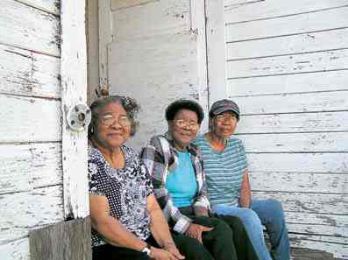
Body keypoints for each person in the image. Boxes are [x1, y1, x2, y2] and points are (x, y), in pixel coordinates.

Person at [88, 95, 216, 260]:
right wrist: (150, 251)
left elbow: (153, 209)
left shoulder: (131, 157)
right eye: (108, 118)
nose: (117, 124)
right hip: (112, 245)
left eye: (124, 119)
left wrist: (169, 246)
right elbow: (102, 222)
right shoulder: (89, 159)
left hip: (145, 237)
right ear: (93, 124)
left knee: (192, 249)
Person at [141, 99, 258, 260]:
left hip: (191, 211)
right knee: (221, 231)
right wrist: (187, 226)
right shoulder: (157, 147)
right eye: (181, 121)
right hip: (165, 216)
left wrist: (202, 217)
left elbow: (202, 192)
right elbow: (153, 192)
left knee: (235, 224)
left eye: (193, 123)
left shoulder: (194, 152)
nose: (187, 127)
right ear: (170, 123)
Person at [193, 99, 291, 260]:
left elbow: (244, 183)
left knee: (274, 207)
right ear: (211, 120)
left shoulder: (237, 146)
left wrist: (245, 208)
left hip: (236, 203)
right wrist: (246, 213)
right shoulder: (197, 146)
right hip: (214, 206)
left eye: (232, 117)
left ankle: (283, 256)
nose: (226, 122)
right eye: (221, 116)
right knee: (249, 217)